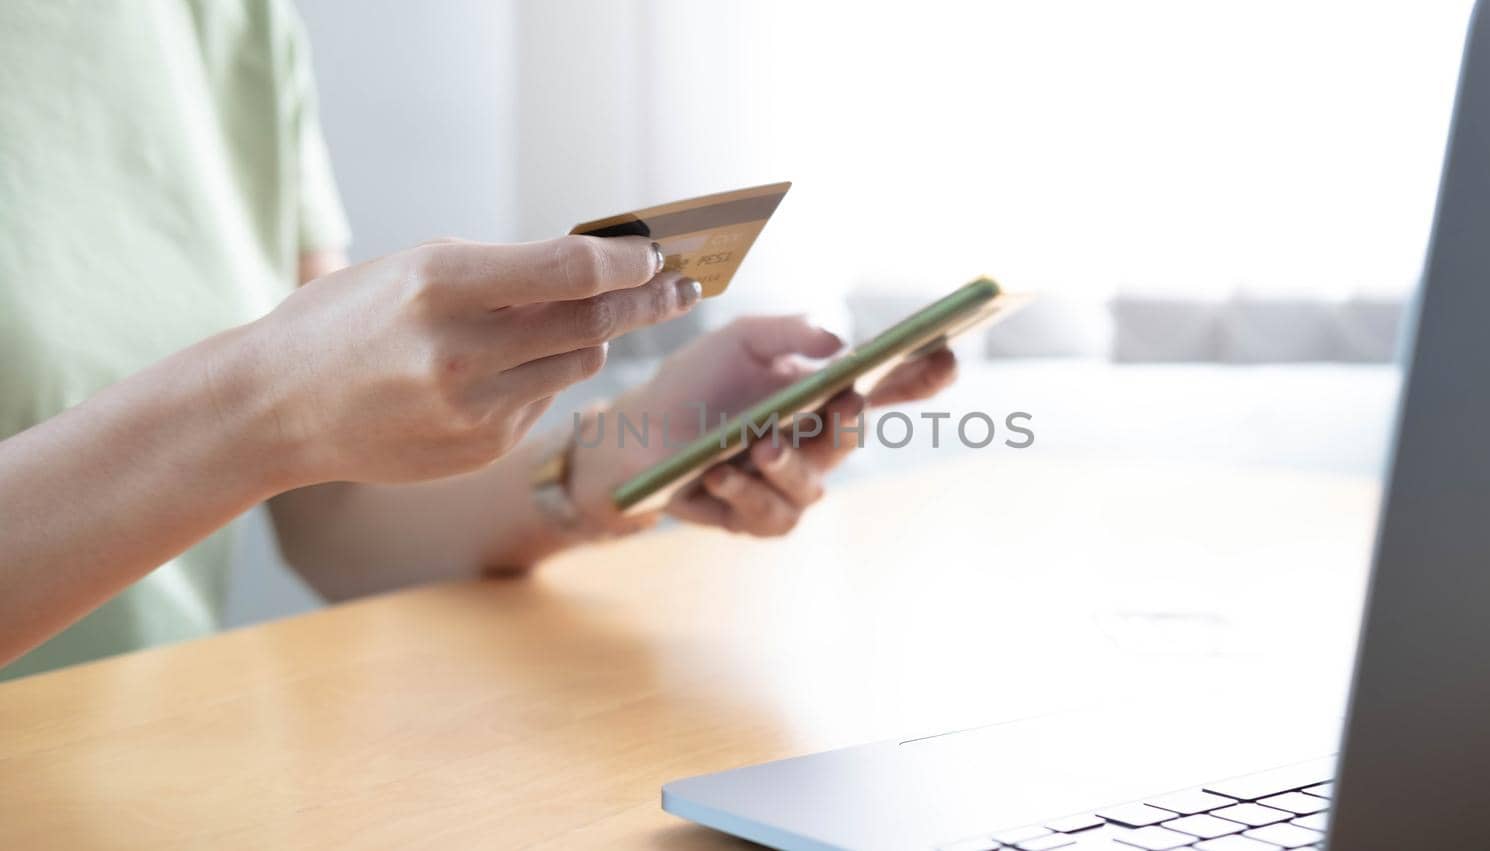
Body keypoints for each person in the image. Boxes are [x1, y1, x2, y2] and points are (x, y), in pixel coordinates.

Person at [0, 2, 955, 679]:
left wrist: (625, 452)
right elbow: (272, 423)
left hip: (135, 768)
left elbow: (335, 520)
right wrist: (258, 405)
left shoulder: (230, 25)